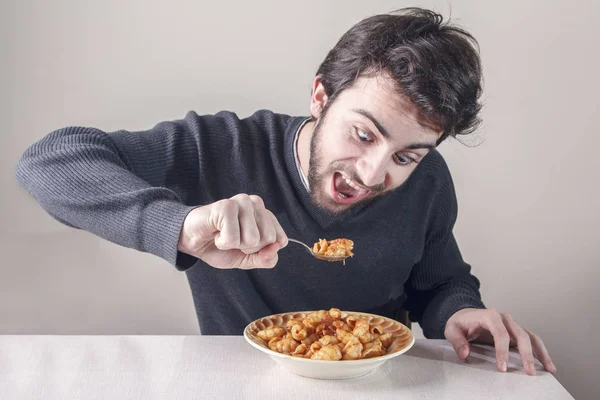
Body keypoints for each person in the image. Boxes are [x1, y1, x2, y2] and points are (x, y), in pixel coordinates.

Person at [15, 7, 555, 375]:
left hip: (378, 384)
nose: (372, 175)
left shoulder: (429, 183)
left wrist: (460, 313)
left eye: (406, 156)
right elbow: (49, 162)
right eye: (363, 133)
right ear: (320, 96)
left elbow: (438, 284)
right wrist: (179, 227)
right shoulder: (220, 147)